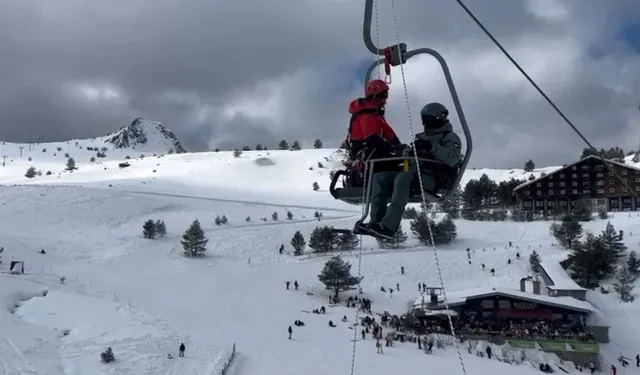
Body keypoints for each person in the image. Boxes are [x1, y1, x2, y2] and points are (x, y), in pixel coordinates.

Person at [359, 102, 462, 239]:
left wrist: (432, 147)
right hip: (414, 172)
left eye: (428, 119)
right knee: (380, 177)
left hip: (433, 178)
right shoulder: (423, 137)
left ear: (439, 118)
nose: (425, 123)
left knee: (403, 178)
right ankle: (376, 222)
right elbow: (414, 155)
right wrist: (406, 151)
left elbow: (452, 159)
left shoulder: (449, 137)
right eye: (424, 119)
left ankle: (389, 227)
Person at [344, 79, 401, 167]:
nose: (384, 100)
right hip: (366, 157)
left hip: (373, 153)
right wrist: (393, 149)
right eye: (382, 96)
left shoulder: (376, 114)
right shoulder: (366, 114)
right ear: (374, 96)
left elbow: (389, 134)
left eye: (386, 96)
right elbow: (373, 140)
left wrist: (399, 145)